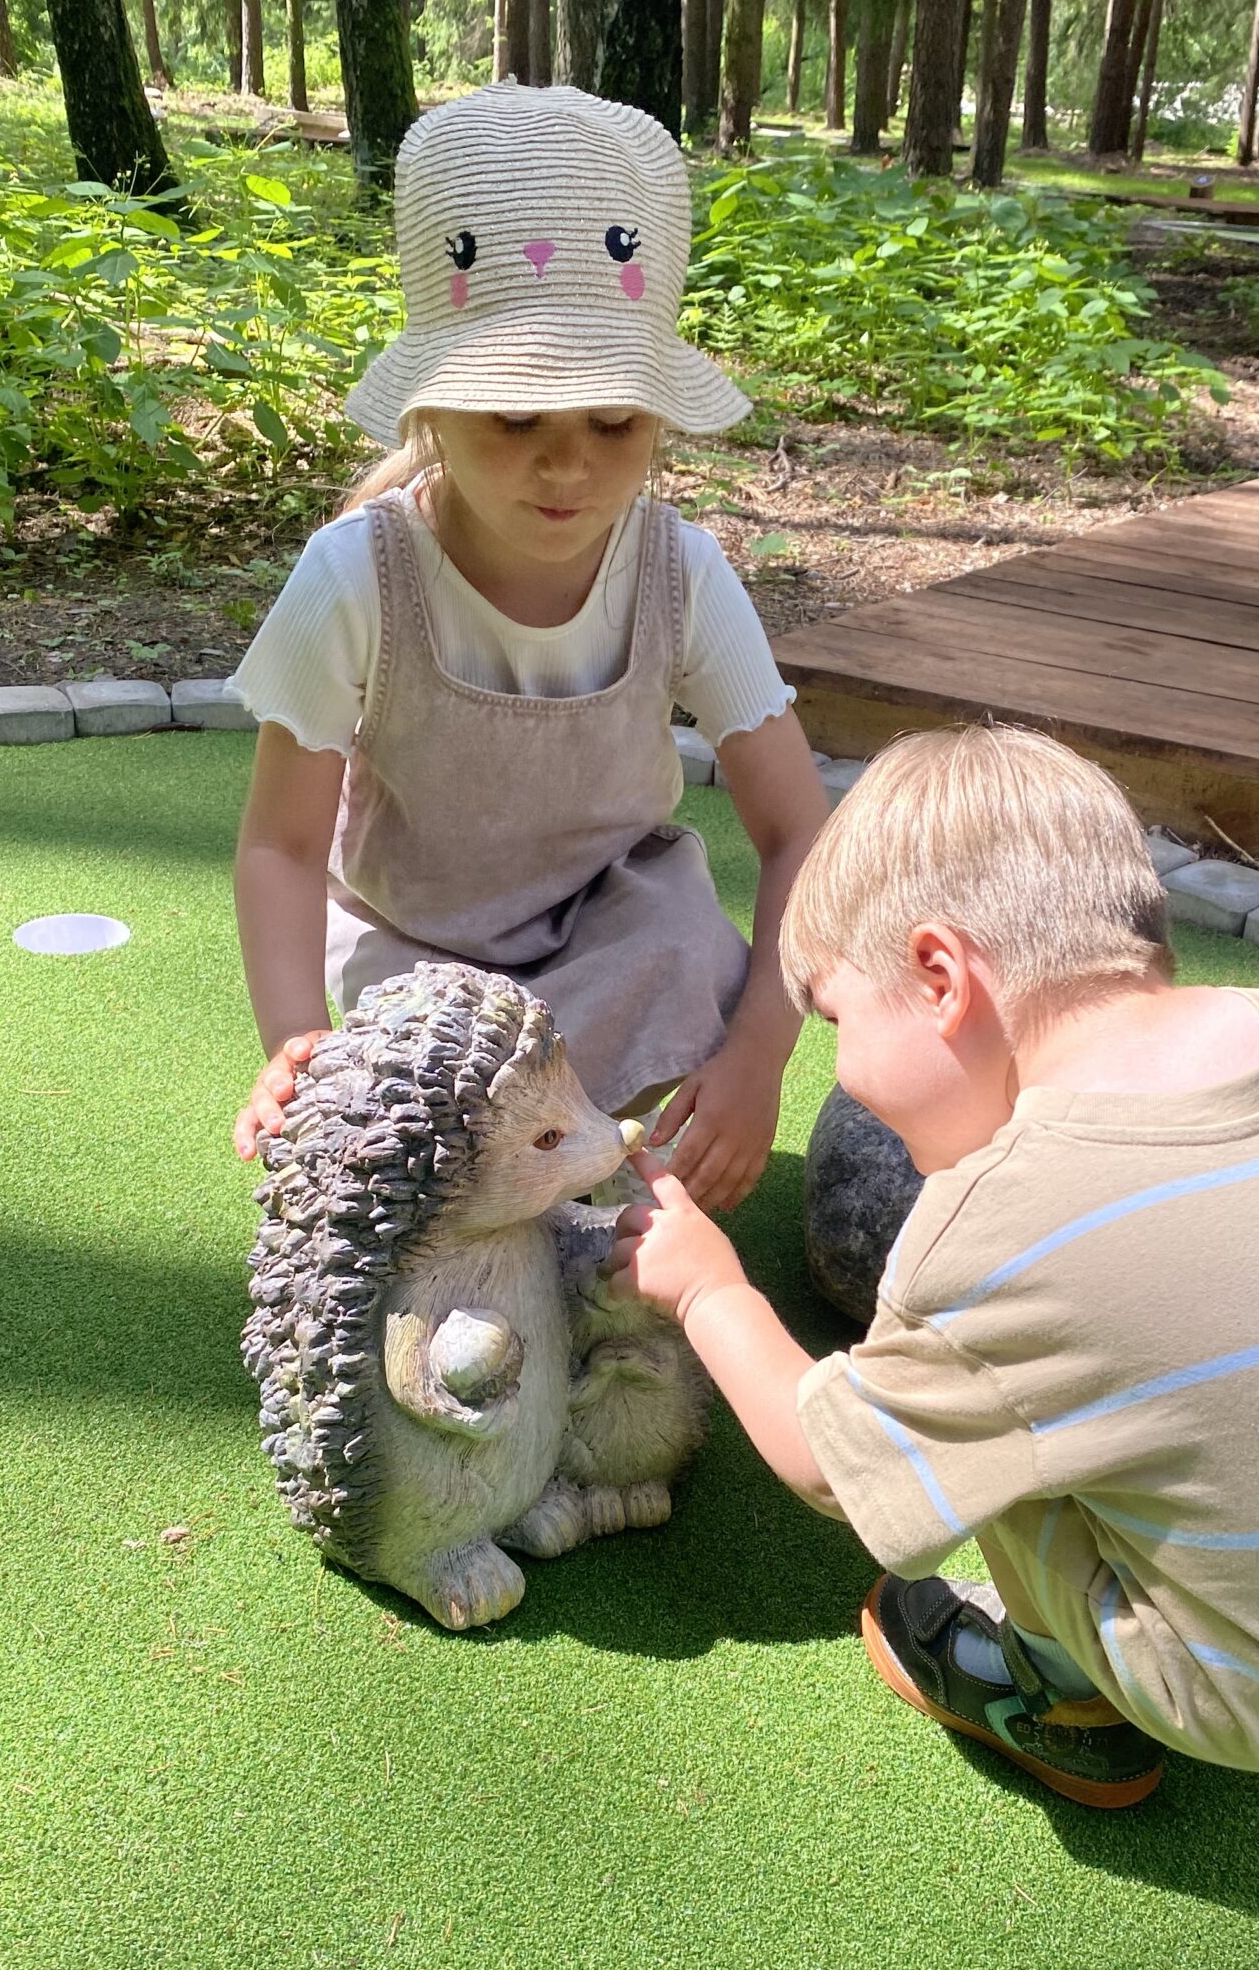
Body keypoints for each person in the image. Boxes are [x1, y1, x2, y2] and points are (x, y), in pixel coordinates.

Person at [610, 725, 1259, 1808]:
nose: (840, 1064)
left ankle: (1055, 1693)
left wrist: (708, 1285)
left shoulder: (1005, 1227)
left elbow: (828, 1467)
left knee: (1002, 1428)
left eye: (837, 1015)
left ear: (939, 976)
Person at [228, 82, 827, 1213]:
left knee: (685, 943)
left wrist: (758, 1059)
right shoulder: (356, 577)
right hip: (418, 950)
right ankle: (522, 1154)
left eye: (615, 420)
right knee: (432, 1070)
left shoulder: (681, 572)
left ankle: (558, 1151)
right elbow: (282, 847)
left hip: (614, 930)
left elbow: (800, 830)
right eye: (514, 417)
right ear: (433, 409)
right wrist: (296, 1046)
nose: (567, 466)